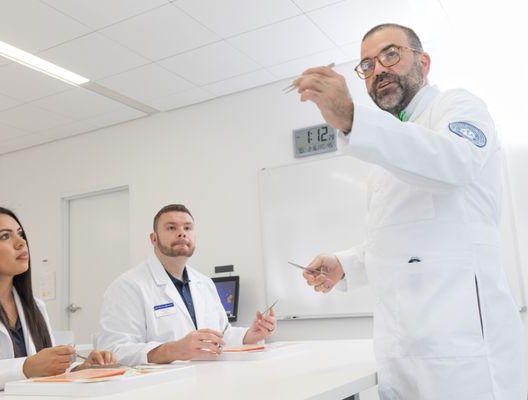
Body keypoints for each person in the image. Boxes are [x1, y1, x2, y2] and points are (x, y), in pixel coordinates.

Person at [292, 23, 527, 399]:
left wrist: (352, 117)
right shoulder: (389, 147)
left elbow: (454, 163)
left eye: (390, 54)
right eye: (367, 65)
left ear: (424, 62)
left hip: (461, 352)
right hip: (401, 349)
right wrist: (346, 263)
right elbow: (402, 244)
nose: (378, 70)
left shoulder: (457, 106)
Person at [0, 206, 116, 399]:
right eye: (5, 236)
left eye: (20, 234)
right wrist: (24, 367)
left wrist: (80, 369)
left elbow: (42, 374)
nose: (21, 243)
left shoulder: (34, 307)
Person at [98, 204, 276, 365]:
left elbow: (222, 333)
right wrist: (174, 350)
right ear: (153, 238)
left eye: (187, 228)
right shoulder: (127, 286)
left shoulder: (204, 283)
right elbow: (114, 351)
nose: (182, 232)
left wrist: (249, 335)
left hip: (208, 380)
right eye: (171, 227)